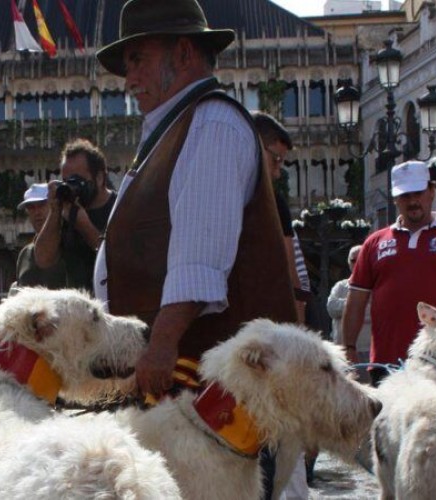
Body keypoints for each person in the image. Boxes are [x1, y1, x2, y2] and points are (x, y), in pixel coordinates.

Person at [93, 0, 296, 401]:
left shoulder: (211, 123)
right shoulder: (180, 125)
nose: (129, 78)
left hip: (207, 388)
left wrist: (161, 346)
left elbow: (198, 262)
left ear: (183, 52)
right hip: (188, 385)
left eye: (137, 59)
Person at [341, 161, 436, 386]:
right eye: (405, 195)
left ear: (431, 191)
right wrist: (348, 348)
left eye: (418, 192)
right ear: (395, 199)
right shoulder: (374, 243)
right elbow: (356, 301)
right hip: (386, 363)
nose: (412, 201)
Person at [253, 111, 312, 323]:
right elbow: (289, 275)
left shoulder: (274, 202)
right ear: (256, 147)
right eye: (276, 160)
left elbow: (291, 273)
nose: (278, 172)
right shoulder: (270, 201)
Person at [34, 139, 116, 293]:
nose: (72, 186)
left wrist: (86, 227)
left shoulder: (120, 208)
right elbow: (43, 259)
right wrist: (54, 211)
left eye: (77, 180)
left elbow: (120, 261)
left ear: (99, 178)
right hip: (79, 310)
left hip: (114, 306)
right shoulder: (65, 209)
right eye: (66, 181)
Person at [12, 183, 68, 292]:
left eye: (42, 205)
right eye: (31, 207)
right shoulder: (24, 254)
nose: (37, 212)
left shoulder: (68, 245)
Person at [327, 246, 371, 377]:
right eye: (353, 260)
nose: (357, 263)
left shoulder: (375, 287)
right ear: (348, 263)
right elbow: (331, 308)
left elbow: (371, 314)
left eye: (360, 259)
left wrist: (348, 306)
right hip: (340, 352)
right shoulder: (340, 286)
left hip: (367, 351)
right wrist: (357, 304)